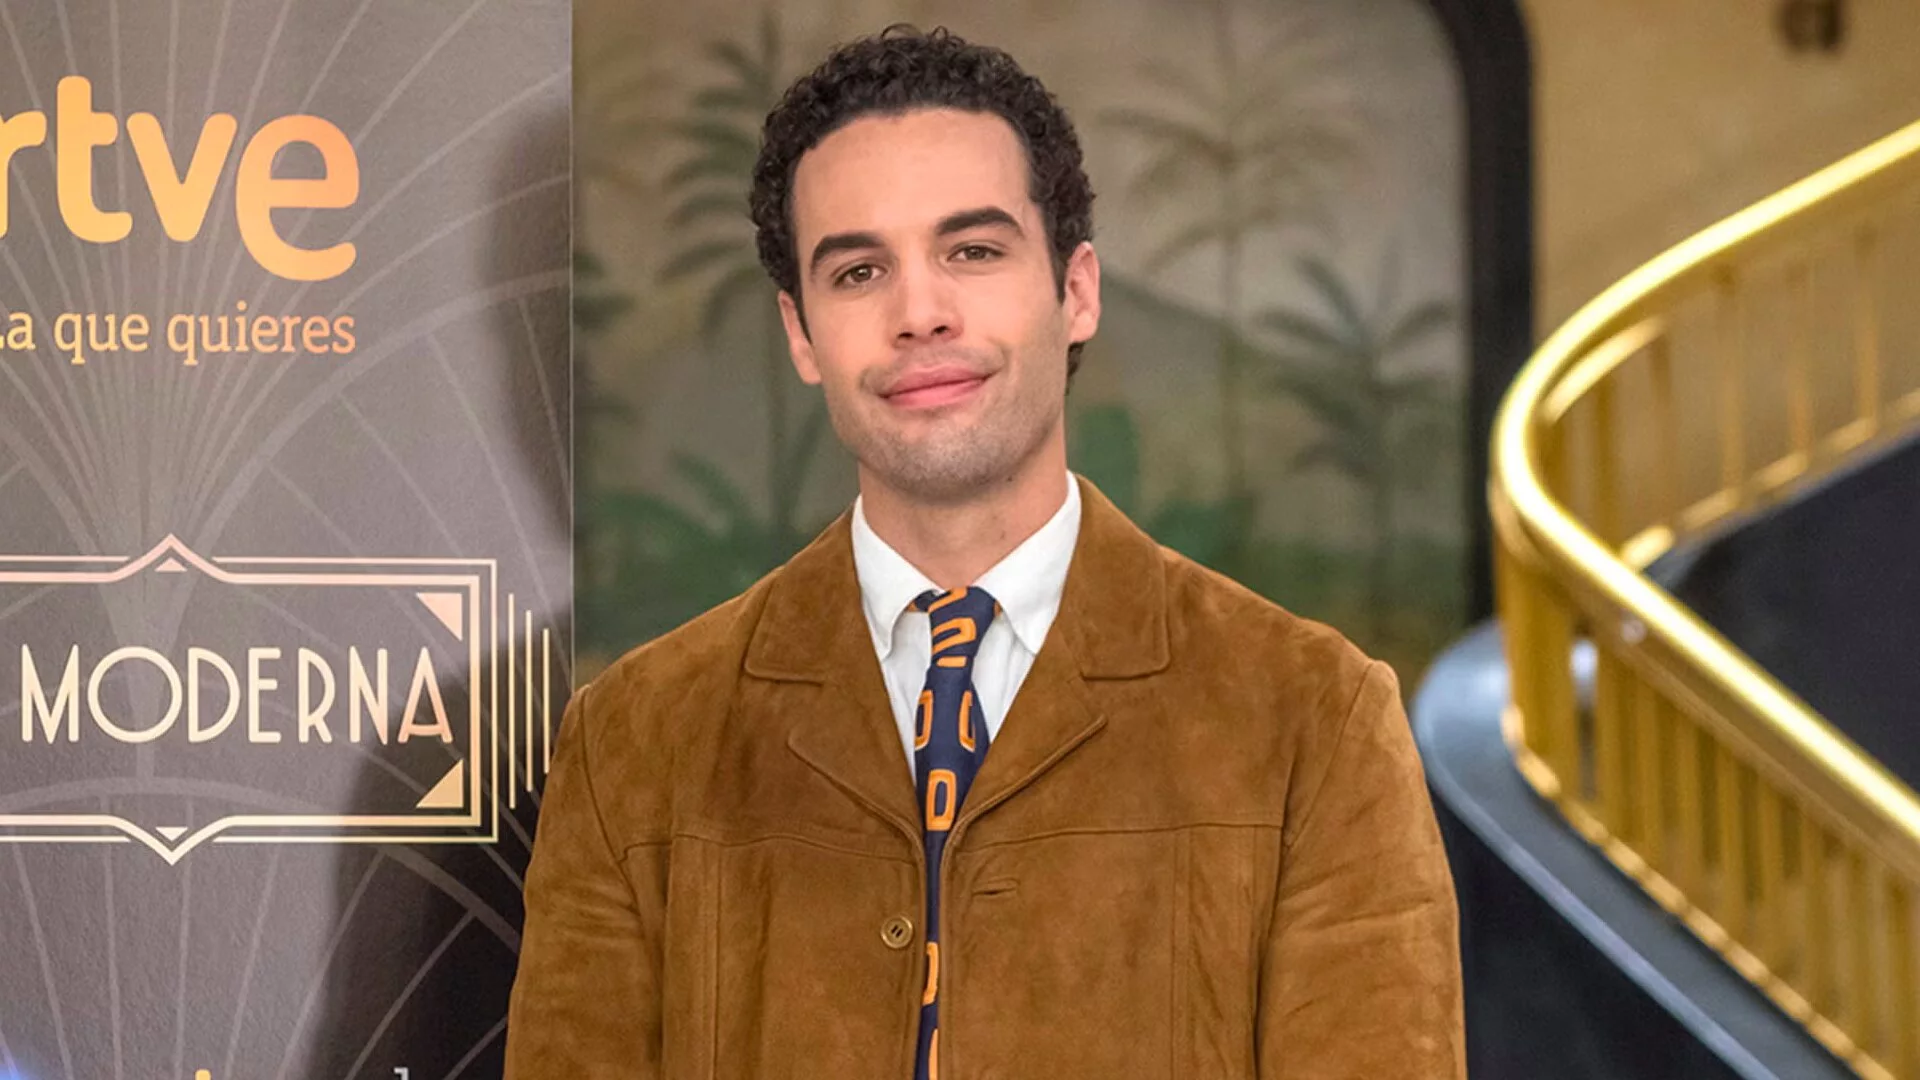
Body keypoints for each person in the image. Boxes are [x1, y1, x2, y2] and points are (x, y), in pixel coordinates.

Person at [506, 25, 1463, 1079]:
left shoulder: (1315, 721)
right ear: (801, 333)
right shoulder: (633, 746)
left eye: (972, 250)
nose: (919, 313)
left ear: (1076, 290)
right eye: (859, 270)